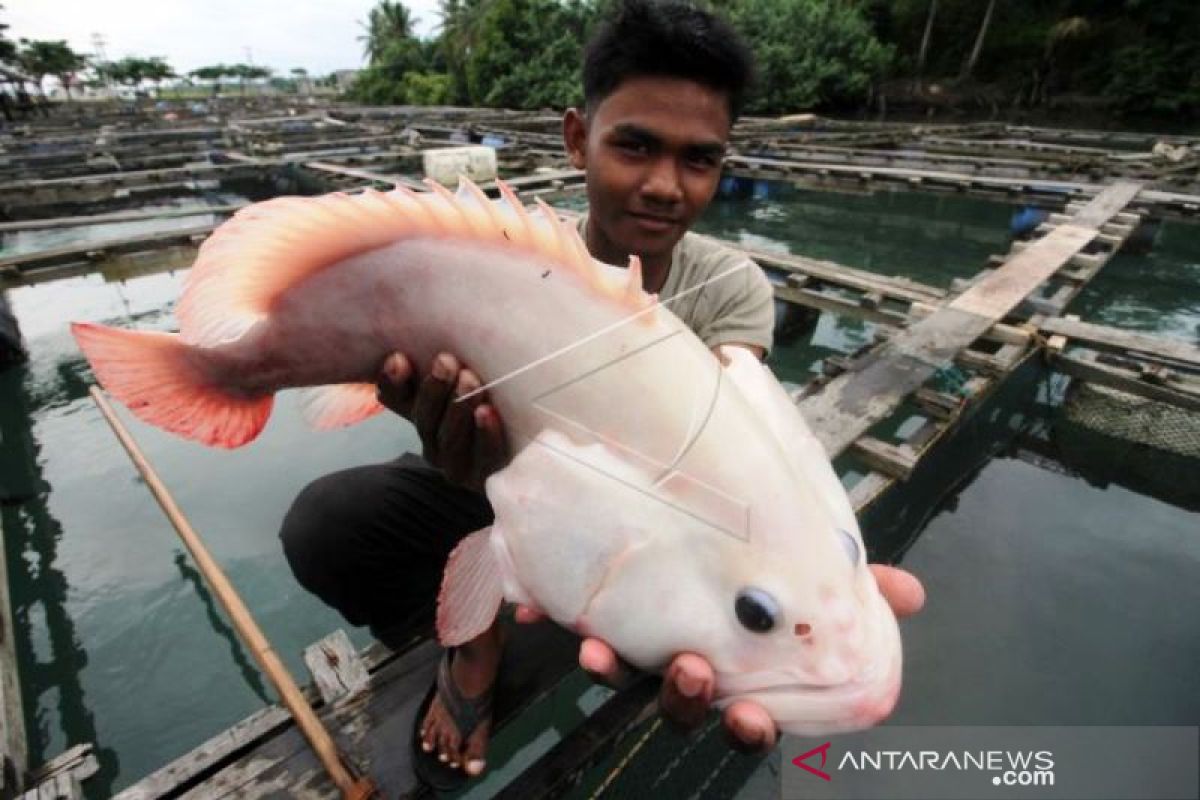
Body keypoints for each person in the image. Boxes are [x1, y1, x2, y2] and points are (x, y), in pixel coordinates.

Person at [280, 0, 925, 787]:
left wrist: (811, 572)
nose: (664, 185)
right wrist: (437, 425)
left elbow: (733, 464)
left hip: (630, 513)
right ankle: (473, 636)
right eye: (635, 146)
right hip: (481, 472)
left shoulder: (732, 289)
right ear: (577, 138)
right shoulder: (504, 260)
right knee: (328, 521)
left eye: (699, 159)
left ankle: (512, 624)